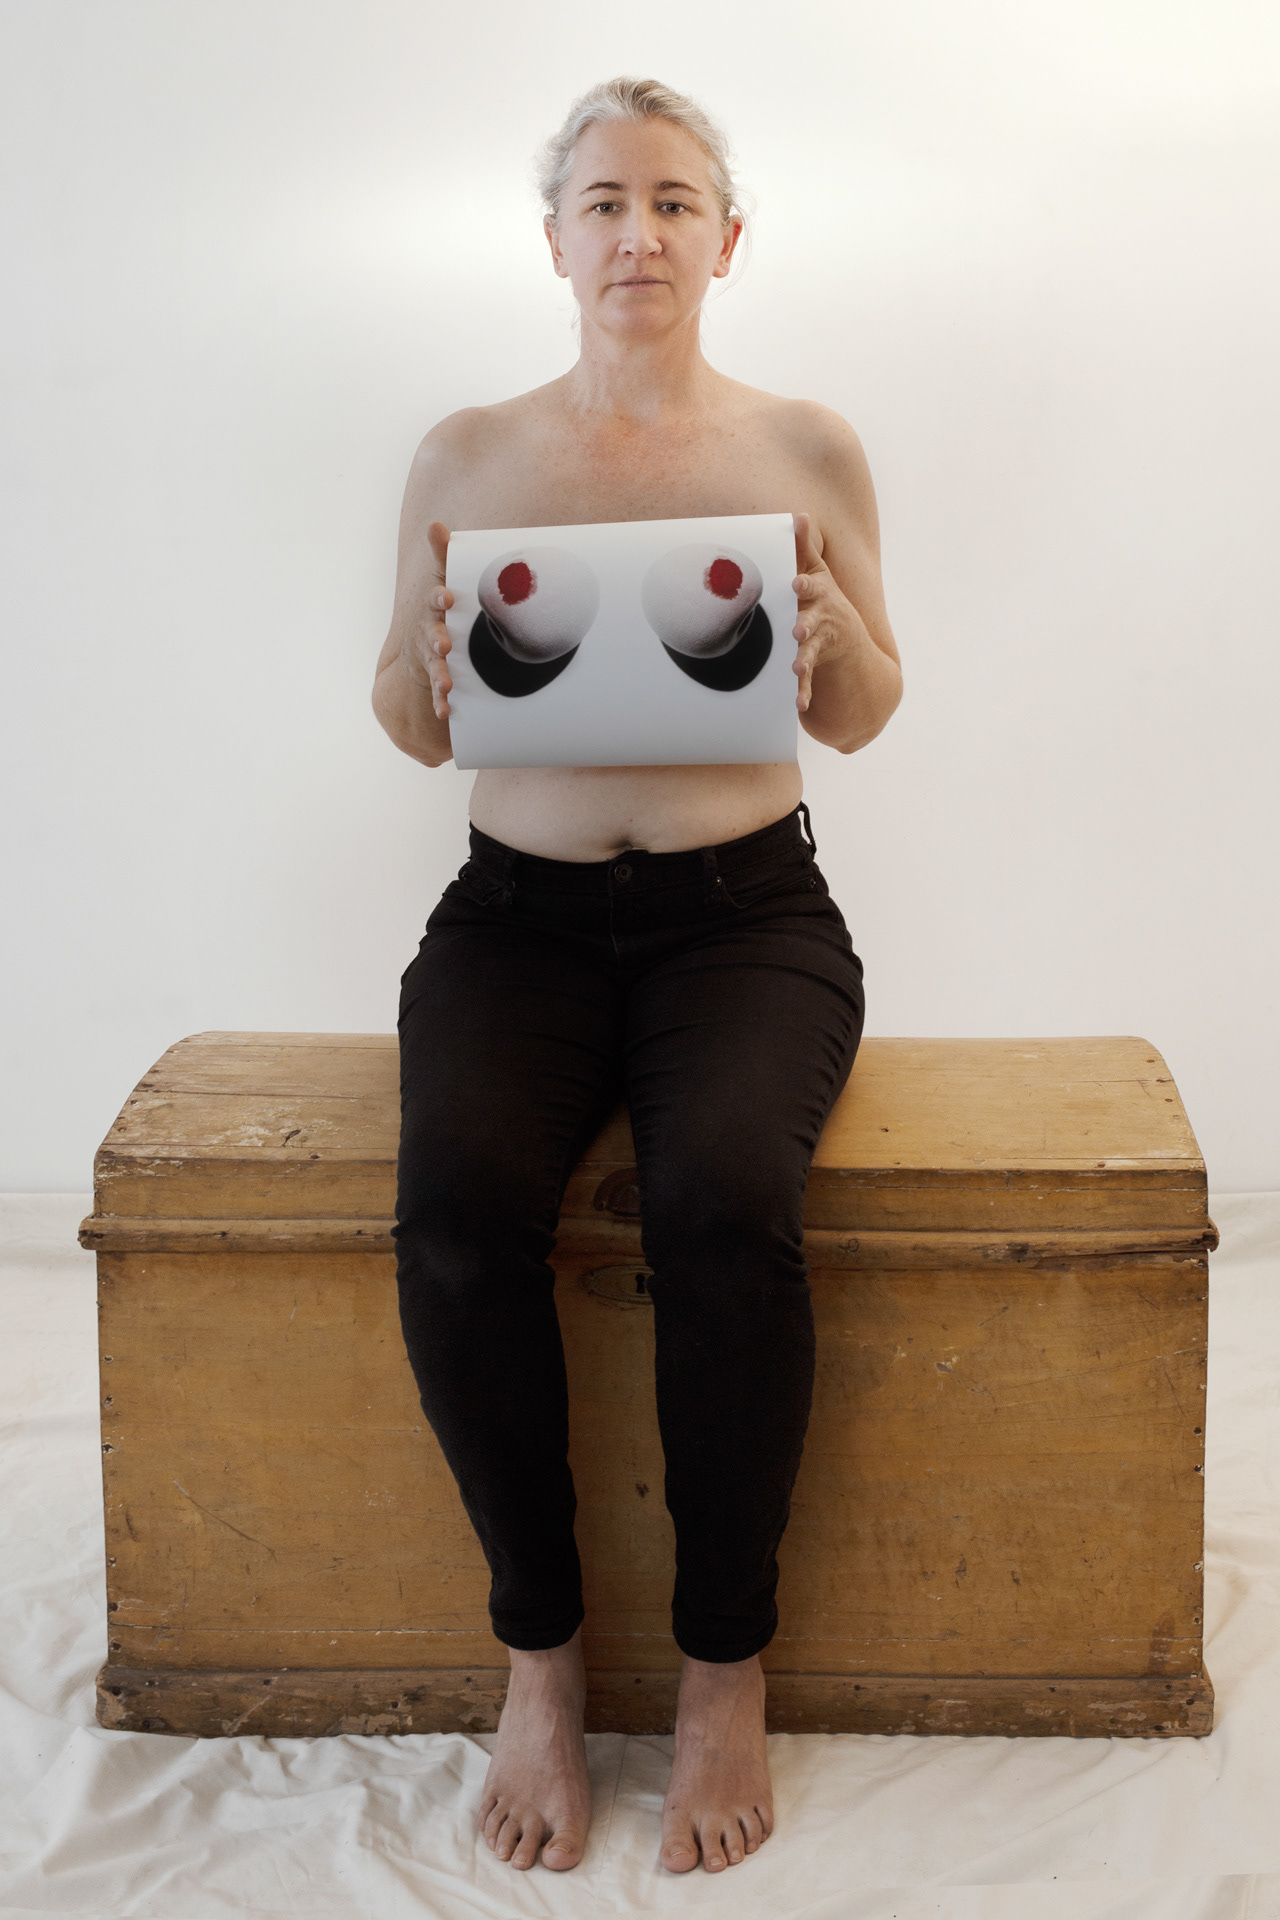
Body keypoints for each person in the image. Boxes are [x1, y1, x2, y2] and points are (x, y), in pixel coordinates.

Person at [371, 76, 902, 1877]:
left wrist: (835, 638)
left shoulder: (807, 445)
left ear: (726, 239)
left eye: (674, 202)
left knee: (726, 1205)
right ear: (555, 241)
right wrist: (427, 657)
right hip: (513, 921)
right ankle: (540, 1655)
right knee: (454, 1215)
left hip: (744, 921)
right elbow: (407, 723)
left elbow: (865, 708)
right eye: (604, 202)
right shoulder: (465, 454)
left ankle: (722, 1668)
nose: (639, 233)